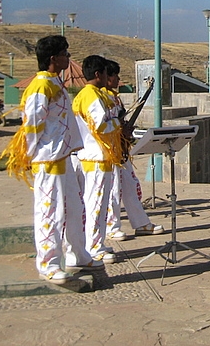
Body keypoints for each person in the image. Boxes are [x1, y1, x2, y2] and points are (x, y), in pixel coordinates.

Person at [0, 35, 97, 285]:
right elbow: (32, 125)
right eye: (65, 52)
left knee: (74, 209)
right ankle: (49, 264)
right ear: (53, 58)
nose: (68, 57)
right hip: (48, 160)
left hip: (64, 157)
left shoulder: (56, 83)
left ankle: (78, 253)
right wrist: (31, 155)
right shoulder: (40, 87)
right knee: (50, 212)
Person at [71, 55, 124, 266]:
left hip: (94, 157)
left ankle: (95, 243)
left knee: (96, 204)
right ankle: (94, 248)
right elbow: (100, 126)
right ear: (97, 74)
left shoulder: (87, 95)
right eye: (105, 73)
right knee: (96, 205)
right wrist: (119, 126)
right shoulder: (91, 96)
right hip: (97, 157)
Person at [103, 59, 164, 240]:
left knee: (130, 187)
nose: (118, 80)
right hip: (108, 152)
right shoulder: (101, 98)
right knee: (113, 190)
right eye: (114, 76)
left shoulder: (115, 97)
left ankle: (140, 223)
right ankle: (111, 227)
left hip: (121, 149)